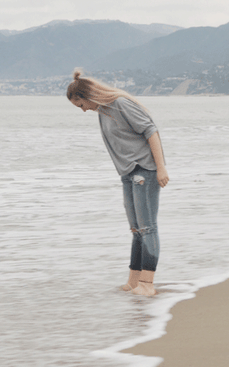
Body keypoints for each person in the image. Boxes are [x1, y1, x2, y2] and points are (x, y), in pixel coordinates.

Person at [66, 69, 169, 296]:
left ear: (88, 96)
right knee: (136, 230)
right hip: (128, 174)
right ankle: (134, 281)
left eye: (81, 105)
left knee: (148, 227)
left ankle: (147, 284)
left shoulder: (120, 103)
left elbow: (151, 131)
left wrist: (161, 167)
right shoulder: (103, 111)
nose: (83, 111)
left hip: (144, 170)